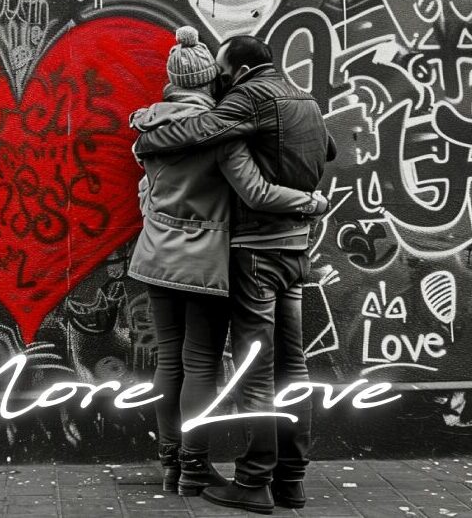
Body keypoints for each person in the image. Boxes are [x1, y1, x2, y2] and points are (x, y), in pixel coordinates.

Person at [134, 34, 334, 514]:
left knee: (209, 367)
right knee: (279, 366)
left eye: (228, 74)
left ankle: (210, 473)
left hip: (200, 252)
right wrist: (309, 200)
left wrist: (145, 135)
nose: (224, 83)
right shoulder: (282, 106)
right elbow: (319, 154)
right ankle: (280, 478)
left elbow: (159, 180)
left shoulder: (206, 114)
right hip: (261, 253)